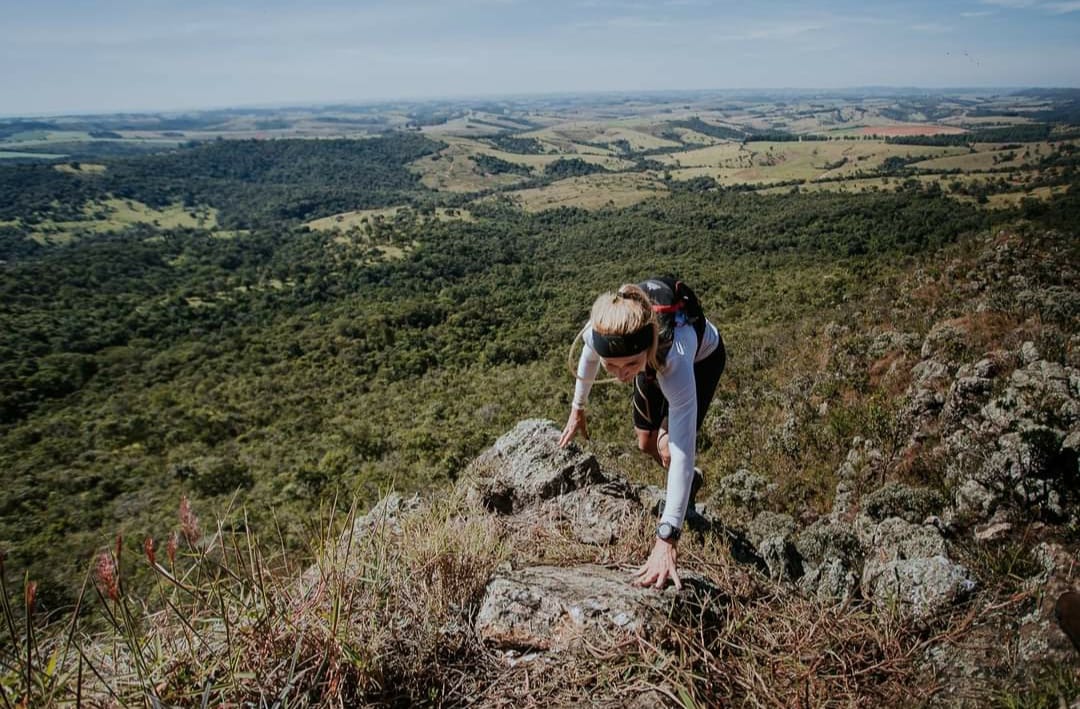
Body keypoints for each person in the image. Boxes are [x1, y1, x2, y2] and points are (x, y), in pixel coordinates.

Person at [559, 278, 726, 590]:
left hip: (701, 362)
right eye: (613, 366)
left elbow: (682, 451)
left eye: (627, 366)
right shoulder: (611, 337)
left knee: (667, 449)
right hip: (648, 361)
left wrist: (667, 538)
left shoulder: (674, 356)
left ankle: (682, 494)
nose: (621, 376)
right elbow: (589, 356)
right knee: (645, 442)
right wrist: (577, 408)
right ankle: (689, 480)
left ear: (646, 346)